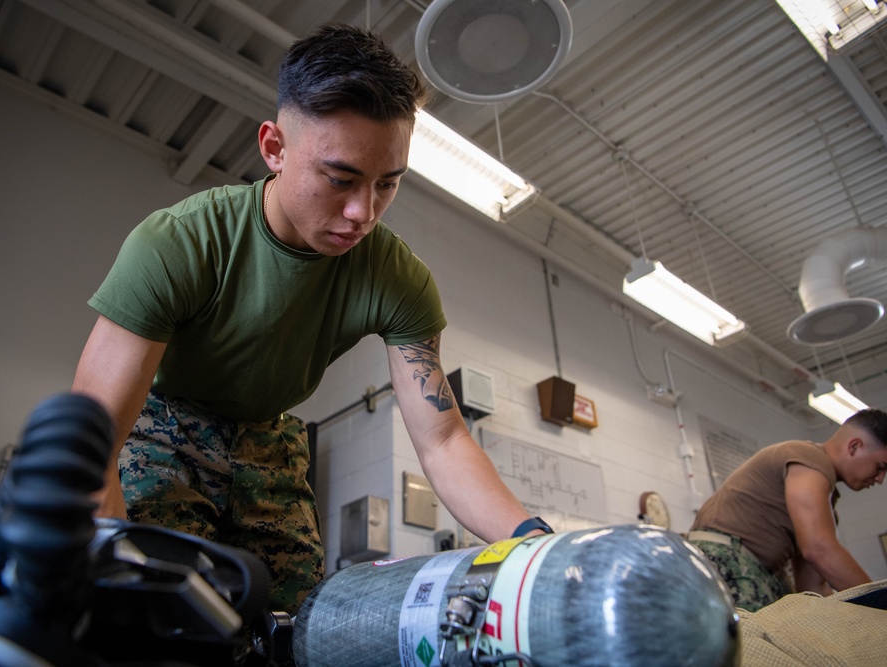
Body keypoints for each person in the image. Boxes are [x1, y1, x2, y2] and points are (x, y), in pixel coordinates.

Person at [71, 24, 546, 613]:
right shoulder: (180, 243)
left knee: (296, 628)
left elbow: (444, 439)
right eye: (341, 179)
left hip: (270, 440)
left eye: (387, 185)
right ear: (274, 148)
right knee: (164, 615)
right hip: (165, 429)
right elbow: (90, 439)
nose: (362, 212)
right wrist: (111, 561)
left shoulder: (399, 280)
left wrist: (532, 544)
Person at [687, 409, 887, 612]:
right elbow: (819, 549)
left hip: (751, 567)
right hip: (726, 560)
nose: (880, 479)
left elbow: (811, 586)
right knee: (763, 647)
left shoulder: (823, 500)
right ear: (855, 447)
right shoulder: (810, 459)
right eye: (881, 467)